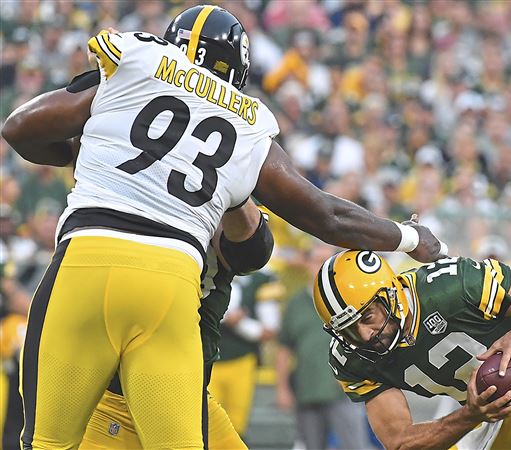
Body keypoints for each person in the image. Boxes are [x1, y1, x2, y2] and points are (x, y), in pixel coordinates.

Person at [1, 5, 445, 448]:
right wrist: (408, 237)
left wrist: (86, 151)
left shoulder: (137, 66)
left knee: (45, 442)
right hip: (170, 280)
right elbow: (325, 213)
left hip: (87, 260)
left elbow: (19, 128)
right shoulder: (246, 125)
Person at [312, 250, 511, 449]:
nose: (363, 335)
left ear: (390, 294)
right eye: (347, 329)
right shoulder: (351, 359)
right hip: (490, 415)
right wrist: (471, 415)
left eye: (367, 317)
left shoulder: (450, 288)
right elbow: (400, 441)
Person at [81, 200, 272, 450]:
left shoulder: (222, 252)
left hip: (190, 398)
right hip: (119, 403)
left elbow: (254, 248)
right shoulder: (162, 235)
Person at [276, 241, 371, 450]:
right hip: (307, 391)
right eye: (317, 261)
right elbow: (284, 349)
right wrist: (282, 388)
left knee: (355, 446)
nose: (320, 267)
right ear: (307, 263)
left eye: (327, 262)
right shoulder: (295, 303)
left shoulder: (348, 298)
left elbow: (369, 340)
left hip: (345, 391)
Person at [209, 268, 283, 438]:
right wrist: (226, 317)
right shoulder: (205, 269)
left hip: (241, 360)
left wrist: (241, 324)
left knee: (236, 426)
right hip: (208, 360)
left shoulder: (261, 280)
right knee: (207, 424)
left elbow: (269, 332)